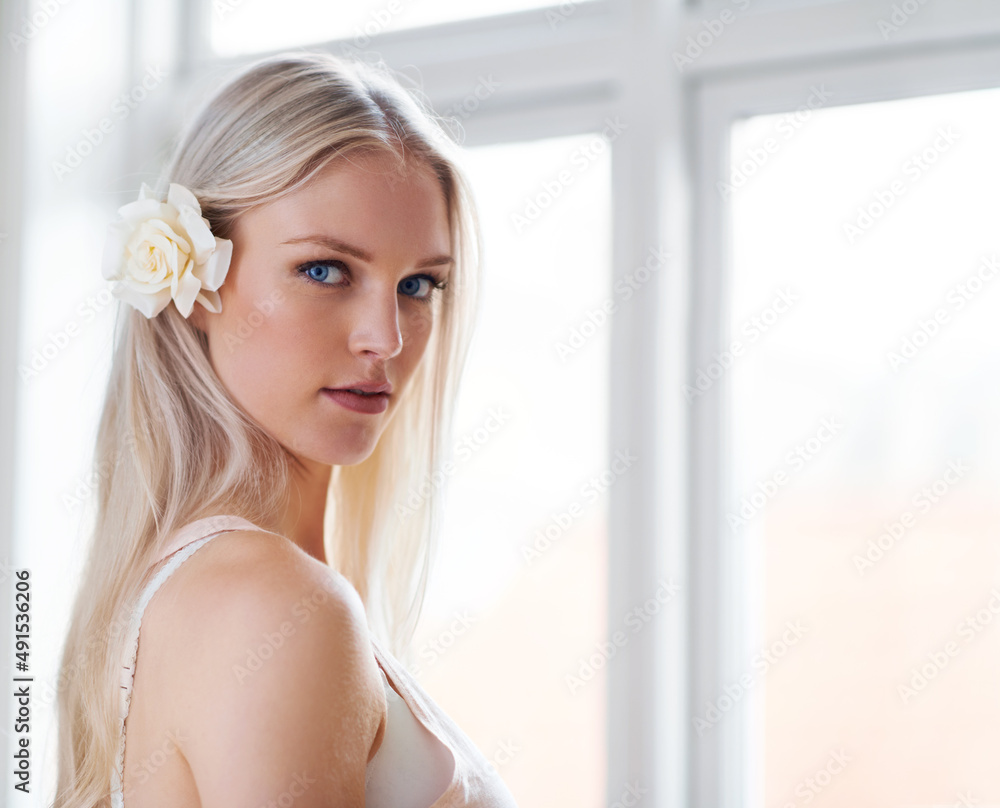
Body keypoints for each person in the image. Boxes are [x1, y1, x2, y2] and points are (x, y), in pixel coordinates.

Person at [51, 51, 518, 808]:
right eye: (326, 270)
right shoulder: (273, 605)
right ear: (198, 285)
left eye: (418, 285)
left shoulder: (209, 588)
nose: (387, 338)